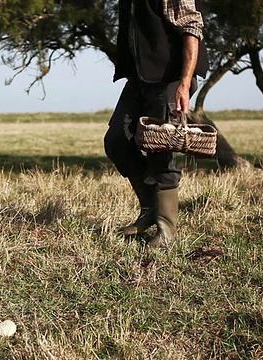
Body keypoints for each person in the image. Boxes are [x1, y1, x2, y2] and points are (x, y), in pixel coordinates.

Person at [104, 0, 209, 248]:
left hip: (170, 78)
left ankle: (166, 229)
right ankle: (150, 206)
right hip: (141, 77)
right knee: (117, 141)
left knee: (161, 149)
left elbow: (192, 28)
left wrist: (184, 84)